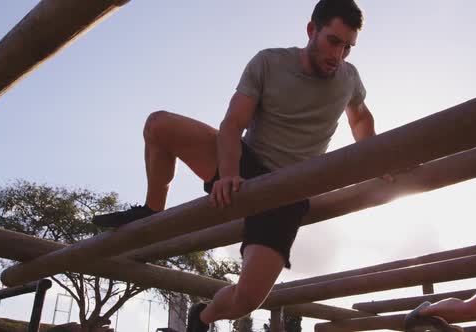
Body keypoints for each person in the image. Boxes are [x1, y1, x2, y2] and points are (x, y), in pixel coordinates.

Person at [92, 0, 385, 331]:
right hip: (246, 163)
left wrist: (379, 159)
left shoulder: (348, 79)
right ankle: (152, 211)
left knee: (247, 300)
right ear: (311, 30)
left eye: (348, 47)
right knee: (158, 125)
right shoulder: (269, 62)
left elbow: (360, 118)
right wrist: (229, 175)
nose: (339, 55)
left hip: (290, 189)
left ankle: (201, 316)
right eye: (333, 41)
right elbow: (232, 124)